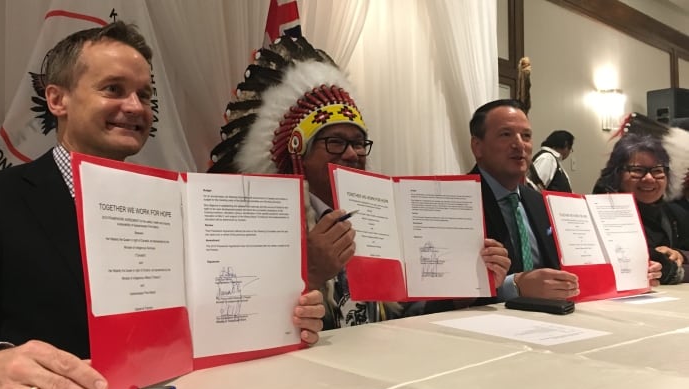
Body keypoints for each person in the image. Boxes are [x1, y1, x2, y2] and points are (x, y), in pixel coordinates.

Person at [0, 22, 325, 389]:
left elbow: (207, 322)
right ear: (58, 100)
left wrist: (281, 317)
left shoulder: (185, 207)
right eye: (113, 89)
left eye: (145, 95)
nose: (135, 107)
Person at [208, 37, 511, 328]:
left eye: (359, 143)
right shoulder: (264, 228)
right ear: (299, 151)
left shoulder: (381, 220)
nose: (352, 153)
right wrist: (310, 273)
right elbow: (243, 322)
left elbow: (402, 313)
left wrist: (463, 294)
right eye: (336, 142)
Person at [468, 99, 661, 300]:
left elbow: (572, 262)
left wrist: (632, 269)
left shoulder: (541, 202)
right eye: (506, 134)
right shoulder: (454, 204)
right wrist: (513, 286)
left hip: (554, 316)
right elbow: (441, 292)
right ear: (478, 146)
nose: (519, 144)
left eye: (526, 136)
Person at [593, 133, 689, 284]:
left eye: (657, 170)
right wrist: (671, 271)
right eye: (637, 170)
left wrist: (681, 255)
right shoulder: (602, 214)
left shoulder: (675, 214)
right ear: (617, 174)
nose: (649, 178)